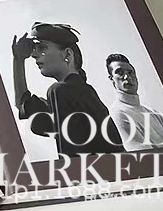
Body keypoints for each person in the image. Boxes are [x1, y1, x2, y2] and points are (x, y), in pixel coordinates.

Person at [12, 22, 123, 157]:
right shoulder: (77, 94)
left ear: (67, 54)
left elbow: (72, 156)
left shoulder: (61, 91)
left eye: (42, 47)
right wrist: (19, 59)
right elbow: (23, 104)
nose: (34, 54)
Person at [105, 53, 163, 151]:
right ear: (112, 78)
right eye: (120, 72)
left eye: (130, 72)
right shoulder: (118, 113)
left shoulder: (152, 112)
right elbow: (144, 156)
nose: (127, 77)